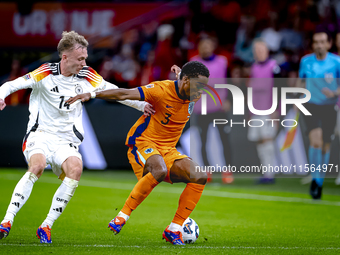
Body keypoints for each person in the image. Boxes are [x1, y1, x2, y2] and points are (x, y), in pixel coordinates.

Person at [0, 31, 152, 243]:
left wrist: (142, 105)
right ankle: (7, 221)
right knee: (37, 166)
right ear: (65, 57)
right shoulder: (44, 72)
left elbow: (115, 91)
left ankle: (46, 225)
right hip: (40, 135)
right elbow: (12, 85)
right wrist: (0, 95)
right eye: (80, 58)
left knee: (75, 169)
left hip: (67, 141)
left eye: (85, 58)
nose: (84, 62)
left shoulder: (88, 75)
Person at [66, 61, 209, 245]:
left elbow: (185, 77)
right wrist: (92, 94)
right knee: (159, 170)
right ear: (186, 81)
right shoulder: (160, 90)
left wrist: (180, 72)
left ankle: (174, 229)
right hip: (143, 142)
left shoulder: (191, 91)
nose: (201, 91)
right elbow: (124, 93)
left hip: (169, 150)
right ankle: (122, 216)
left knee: (200, 175)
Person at [298, 31, 340, 199]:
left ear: (329, 44)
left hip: (329, 107)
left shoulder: (336, 62)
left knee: (325, 146)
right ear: (313, 44)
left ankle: (319, 180)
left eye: (323, 42)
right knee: (315, 142)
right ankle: (315, 180)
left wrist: (335, 92)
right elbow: (300, 81)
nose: (319, 45)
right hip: (310, 105)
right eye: (316, 42)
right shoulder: (305, 61)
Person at [190, 36, 233, 183]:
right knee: (203, 141)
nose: (205, 48)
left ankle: (227, 171)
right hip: (201, 108)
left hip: (219, 107)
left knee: (224, 140)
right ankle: (207, 171)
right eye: (203, 45)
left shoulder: (222, 62)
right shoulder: (193, 63)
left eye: (208, 45)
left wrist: (229, 100)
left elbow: (229, 81)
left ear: (213, 46)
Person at [247, 39, 281, 184]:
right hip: (255, 110)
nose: (258, 52)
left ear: (267, 51)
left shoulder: (274, 67)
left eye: (261, 50)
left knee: (267, 140)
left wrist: (277, 110)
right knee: (260, 141)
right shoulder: (253, 68)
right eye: (256, 50)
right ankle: (265, 171)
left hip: (269, 109)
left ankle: (270, 173)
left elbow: (279, 89)